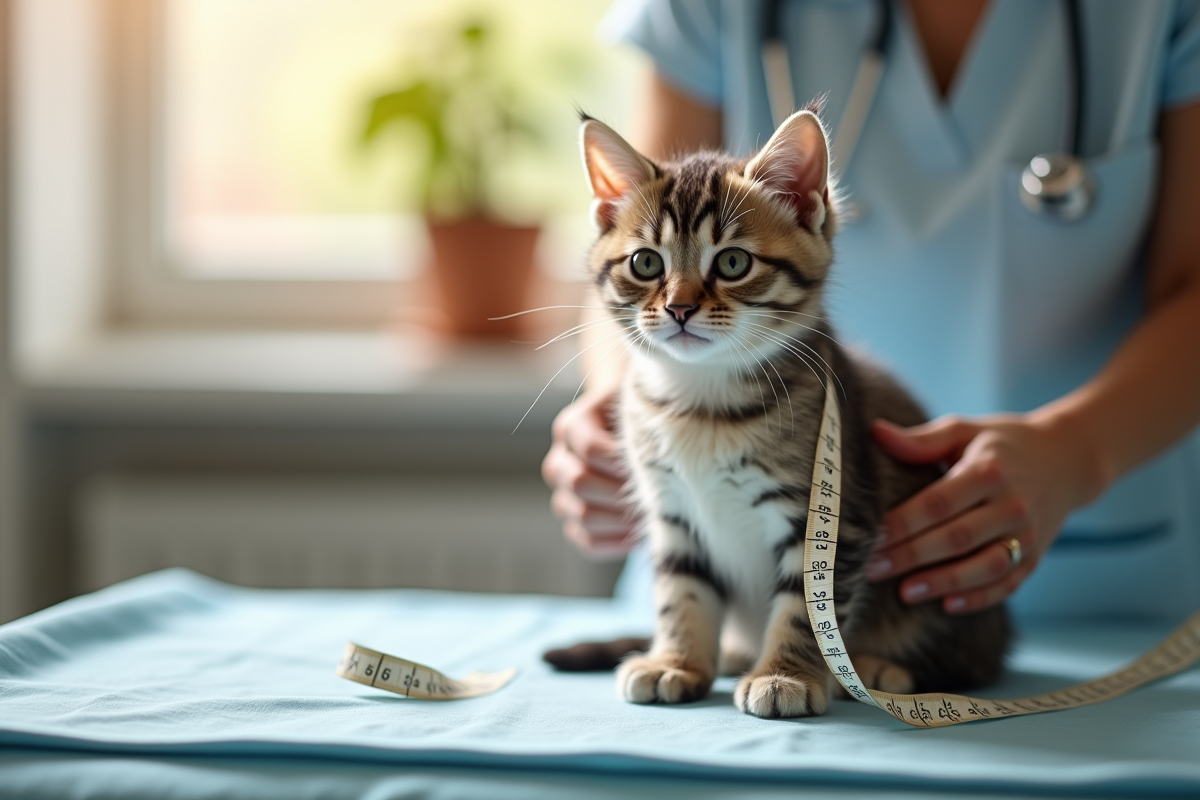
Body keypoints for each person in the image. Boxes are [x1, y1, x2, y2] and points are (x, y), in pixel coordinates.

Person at [543, 0, 1200, 620]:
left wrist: (1078, 451)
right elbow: (637, 245)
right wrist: (610, 411)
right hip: (721, 591)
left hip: (1097, 589)